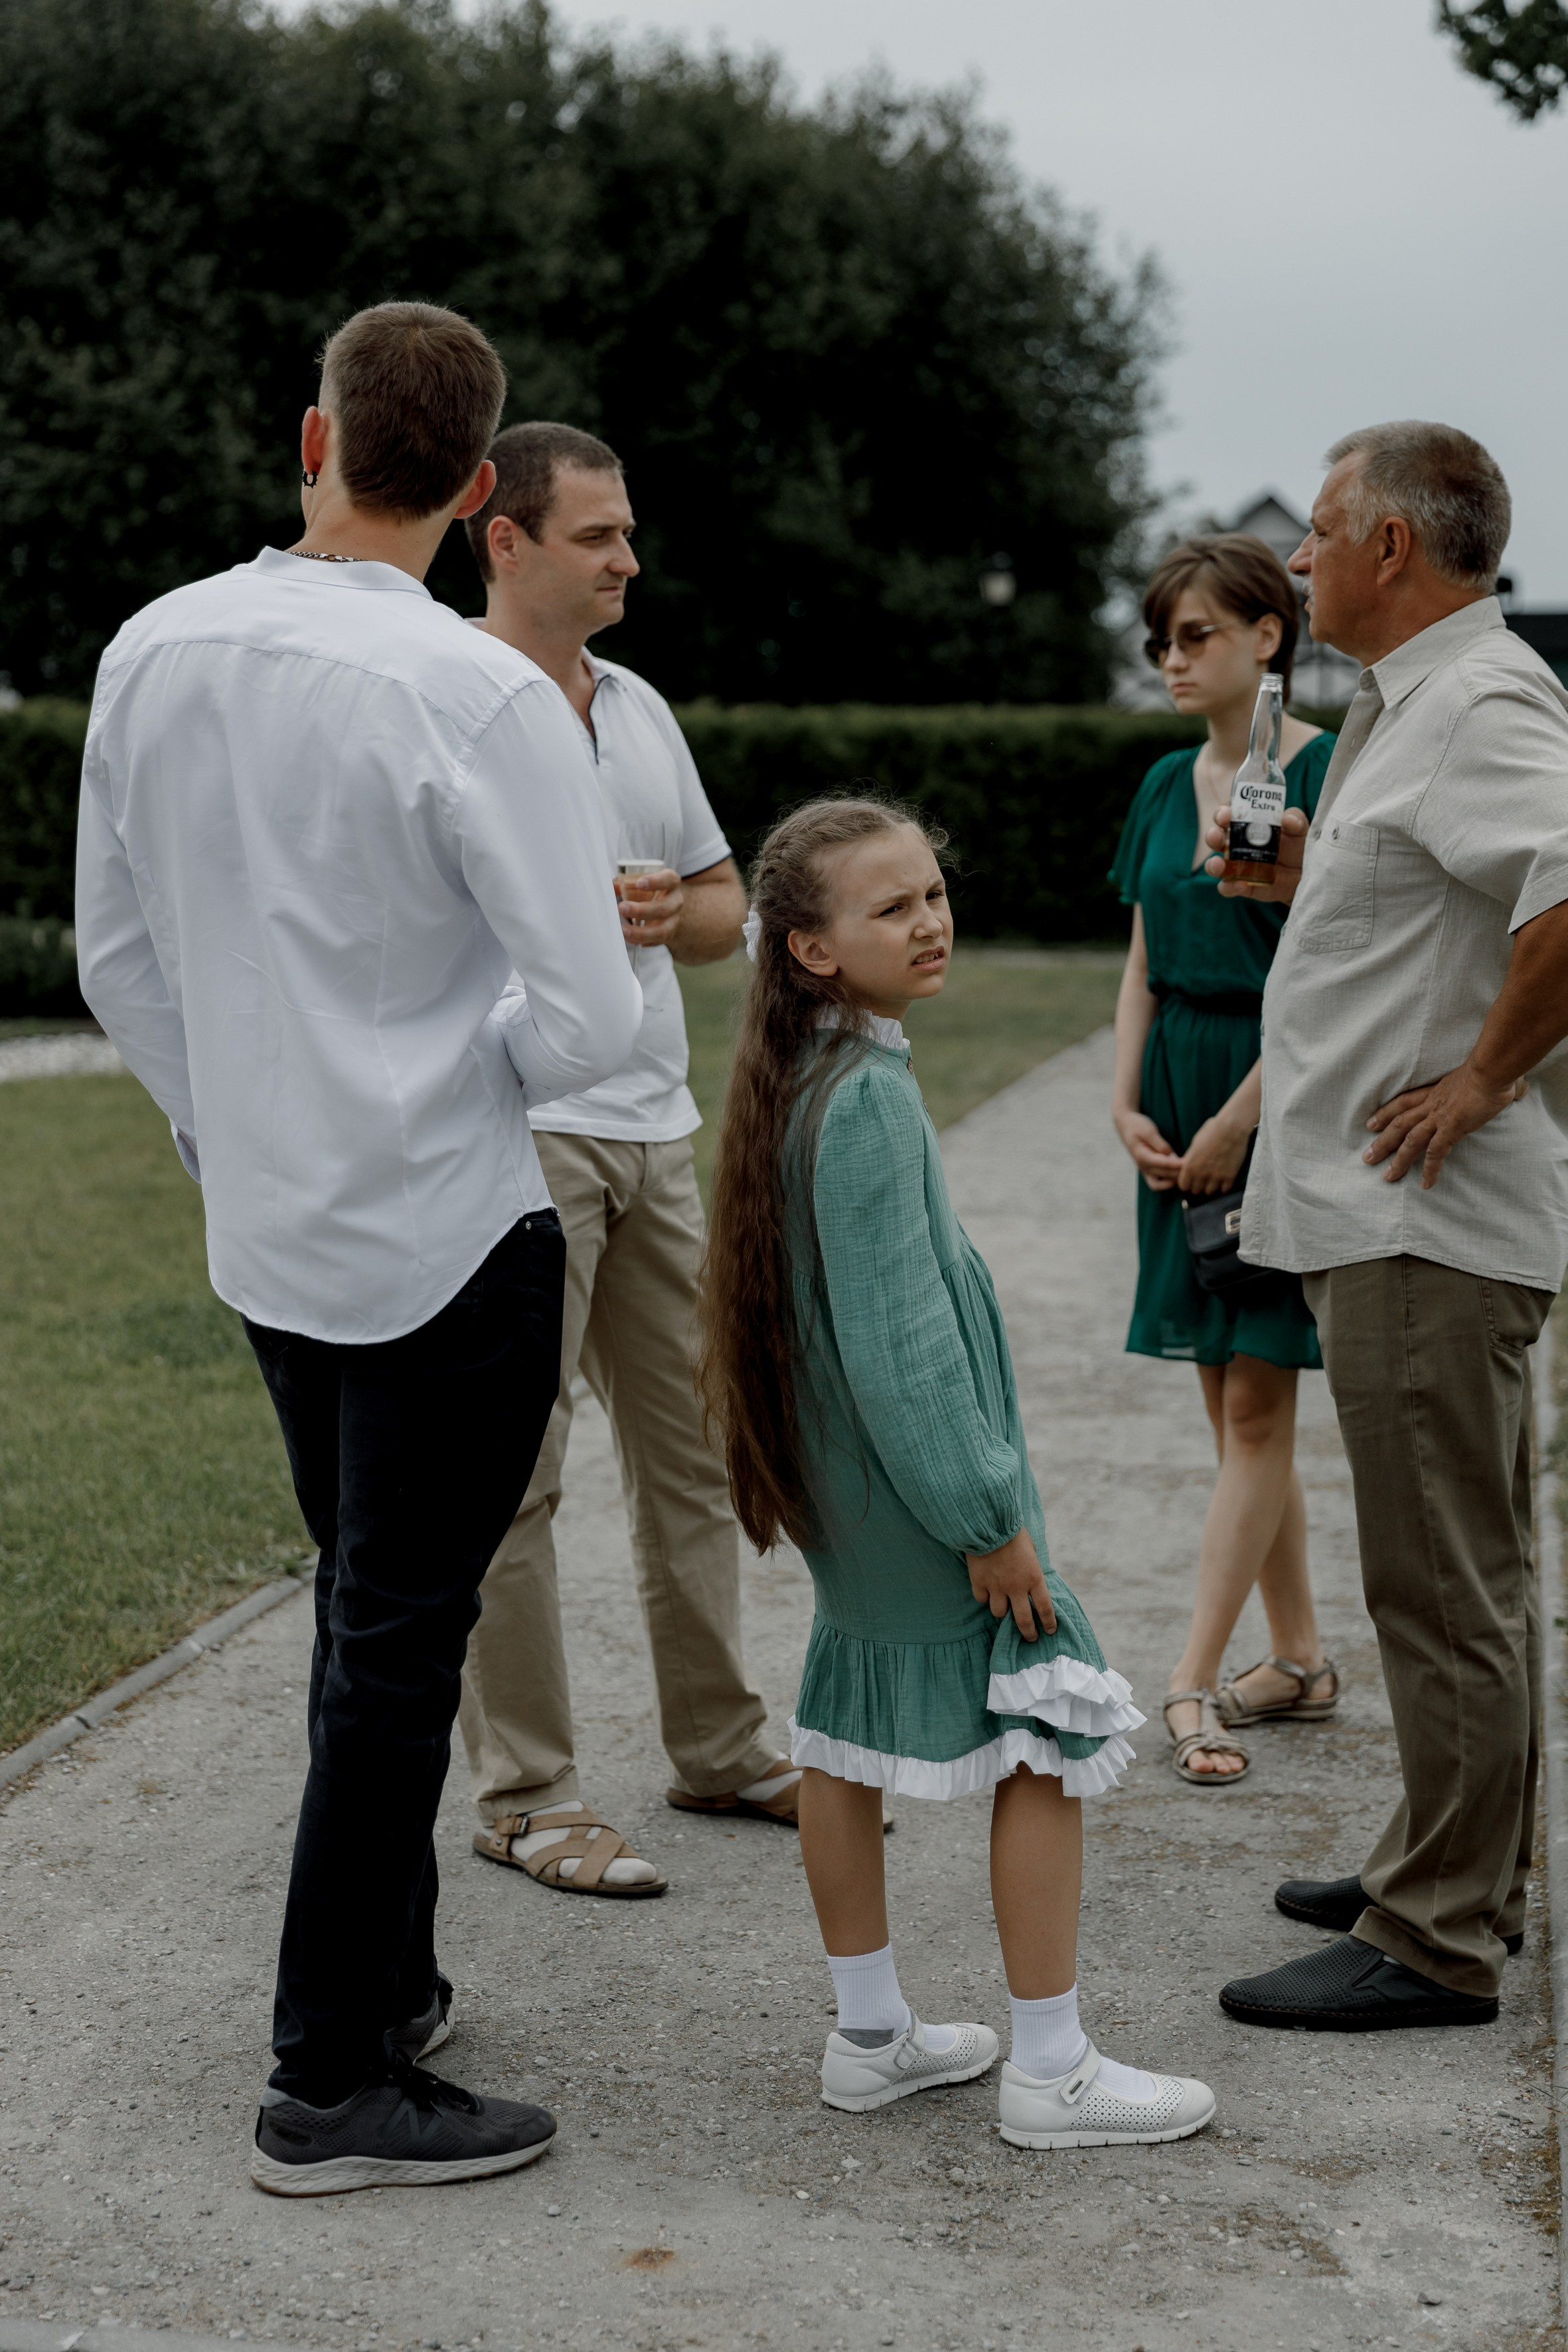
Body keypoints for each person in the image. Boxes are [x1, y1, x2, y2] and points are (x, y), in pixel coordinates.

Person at [75, 304, 644, 2189]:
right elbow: (584, 1024)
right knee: (398, 1637)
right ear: (482, 487)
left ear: (305, 438)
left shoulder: (154, 646)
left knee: (368, 1609)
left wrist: (232, 1116)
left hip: (276, 1226)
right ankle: (329, 2078)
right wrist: (424, 1077)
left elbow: (118, 960)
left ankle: (383, 1983)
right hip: (444, 1227)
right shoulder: (481, 693)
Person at [698, 796, 1215, 2146]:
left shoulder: (810, 1069)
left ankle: (871, 2036)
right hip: (919, 1488)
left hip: (852, 1492)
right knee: (1047, 1727)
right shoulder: (860, 1097)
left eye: (931, 893)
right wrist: (988, 1518)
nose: (928, 921)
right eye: (890, 906)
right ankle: (1048, 2067)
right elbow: (904, 1347)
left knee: (846, 1721)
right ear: (809, 948)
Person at [1206, 421, 1568, 2031]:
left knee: (1439, 1588)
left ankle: (1433, 1939)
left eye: (1322, 530)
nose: (1298, 557)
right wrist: (1301, 889)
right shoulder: (1406, 704)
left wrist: (1484, 1077)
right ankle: (1450, 1869)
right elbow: (1437, 908)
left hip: (1426, 1221)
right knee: (1452, 1575)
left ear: (1394, 550)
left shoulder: (1478, 701)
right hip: (1392, 1218)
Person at [456, 422, 797, 1901]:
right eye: (597, 535)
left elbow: (729, 903)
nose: (627, 559)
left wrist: (674, 913)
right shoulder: (444, 700)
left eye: (628, 530)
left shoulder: (640, 704)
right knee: (511, 1479)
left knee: (693, 1460)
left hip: (657, 1129)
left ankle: (717, 1745)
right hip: (511, 1126)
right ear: (505, 537)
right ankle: (526, 1795)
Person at [1110, 536, 1338, 1788]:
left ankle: (1189, 1682)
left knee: (1255, 1399)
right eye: (1160, 640)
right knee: (1228, 1399)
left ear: (1268, 637)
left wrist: (1242, 1116)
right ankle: (1299, 1658)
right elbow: (1143, 956)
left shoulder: (1328, 773)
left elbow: (1336, 974)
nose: (1170, 659)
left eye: (1194, 634)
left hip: (1278, 1097)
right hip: (1175, 1101)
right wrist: (1118, 1101)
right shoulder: (1160, 782)